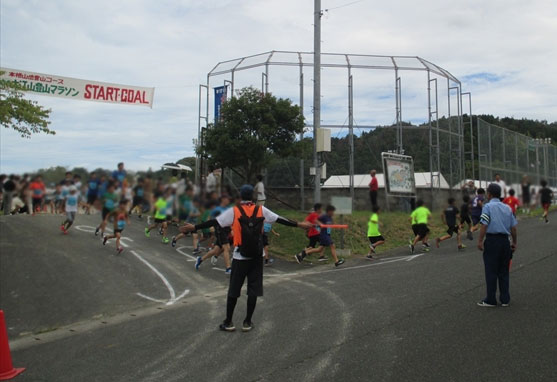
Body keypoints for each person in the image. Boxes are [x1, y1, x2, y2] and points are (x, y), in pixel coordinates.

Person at [181, 184, 313, 332]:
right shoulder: (261, 210)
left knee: (234, 289)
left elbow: (215, 222)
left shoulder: (235, 211)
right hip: (257, 255)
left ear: (240, 197)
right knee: (253, 289)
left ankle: (229, 322)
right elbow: (280, 219)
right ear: (253, 197)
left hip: (239, 256)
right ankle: (247, 322)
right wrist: (300, 224)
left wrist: (195, 228)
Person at [476, 183, 517, 307]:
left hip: (492, 241)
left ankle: (491, 299)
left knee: (491, 270)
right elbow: (513, 228)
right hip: (505, 241)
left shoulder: (487, 207)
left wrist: (480, 240)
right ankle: (505, 299)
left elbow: (484, 224)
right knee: (504, 271)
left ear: (489, 194)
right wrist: (514, 242)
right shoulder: (507, 208)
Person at [194, 195, 233, 274]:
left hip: (226, 230)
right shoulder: (217, 209)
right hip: (220, 229)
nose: (228, 200)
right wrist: (212, 227)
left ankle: (200, 259)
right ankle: (228, 268)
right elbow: (209, 218)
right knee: (227, 248)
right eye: (227, 199)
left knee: (216, 250)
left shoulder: (228, 209)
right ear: (222, 199)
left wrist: (231, 229)